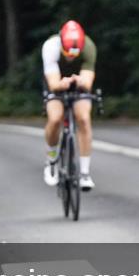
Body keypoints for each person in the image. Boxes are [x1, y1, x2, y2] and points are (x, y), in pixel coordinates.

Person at [41, 20, 97, 191]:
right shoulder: (51, 46)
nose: (71, 57)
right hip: (57, 83)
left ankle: (85, 174)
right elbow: (53, 84)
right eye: (67, 53)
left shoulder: (88, 46)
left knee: (84, 119)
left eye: (75, 54)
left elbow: (87, 82)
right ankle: (51, 160)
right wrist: (61, 84)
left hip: (77, 84)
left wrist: (80, 81)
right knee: (55, 118)